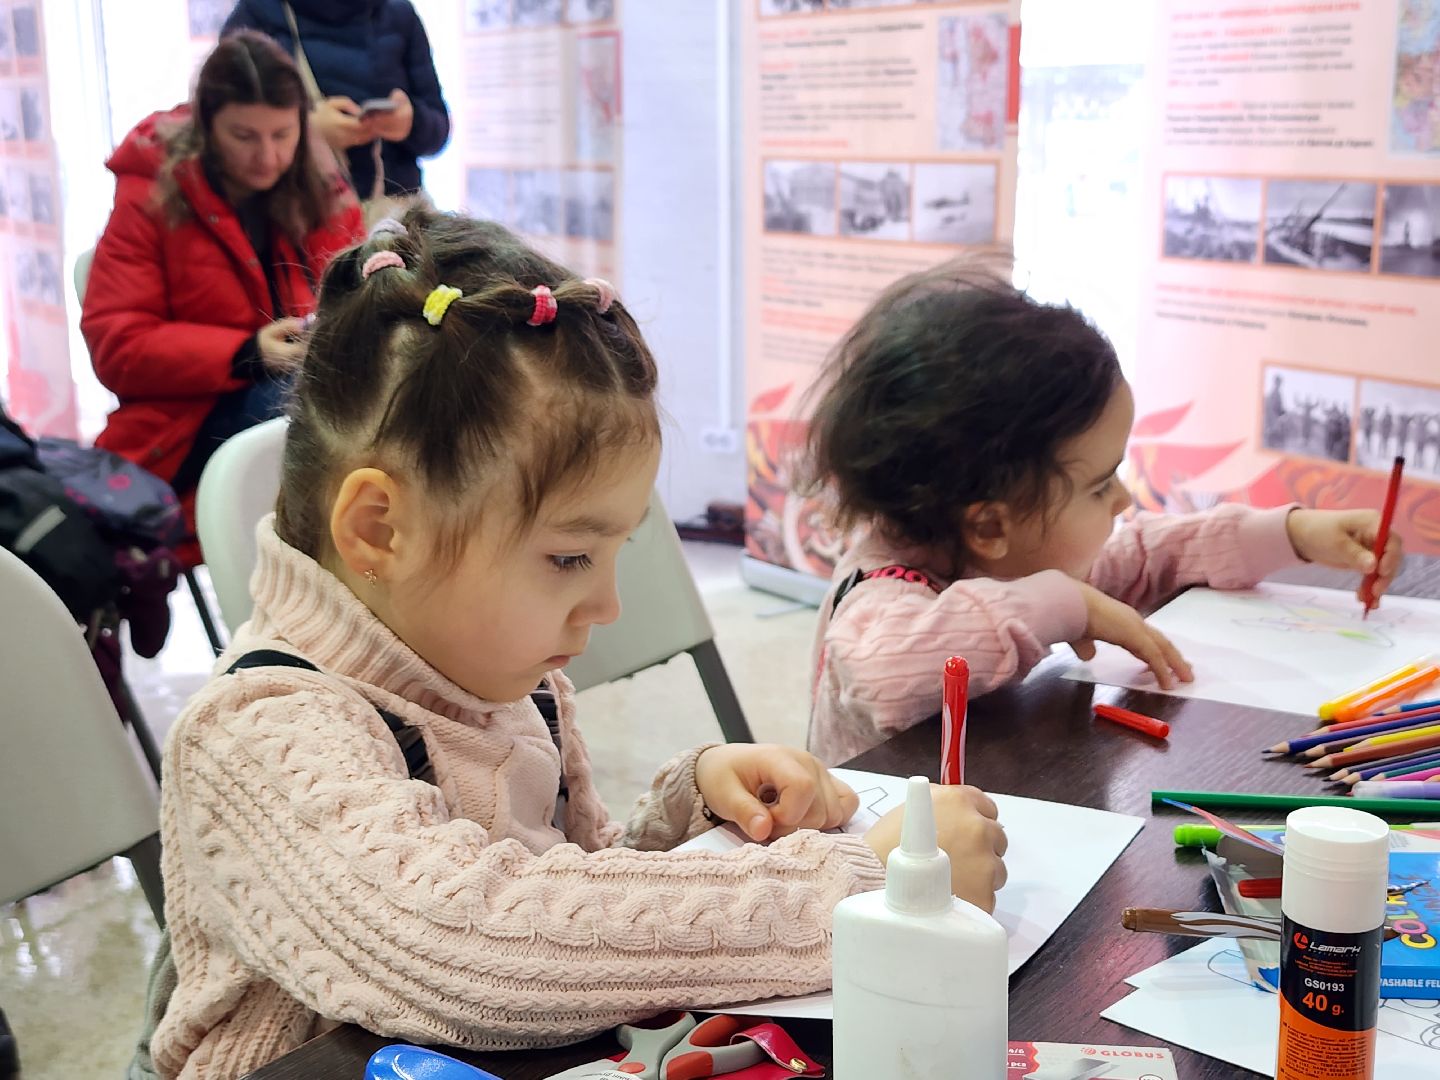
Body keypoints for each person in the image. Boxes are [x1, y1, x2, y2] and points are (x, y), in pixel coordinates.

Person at [140, 211, 1008, 1079]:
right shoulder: (254, 733)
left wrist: (688, 807)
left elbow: (574, 908)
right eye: (568, 558)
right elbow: (465, 945)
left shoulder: (501, 676)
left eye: (614, 552)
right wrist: (861, 890)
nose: (608, 605)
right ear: (379, 530)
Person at [804, 259, 1405, 764]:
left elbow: (1145, 553)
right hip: (874, 855)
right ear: (988, 524)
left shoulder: (1013, 549)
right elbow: (886, 673)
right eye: (1098, 486)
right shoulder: (880, 593)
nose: (1123, 499)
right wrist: (1068, 604)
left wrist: (1291, 533)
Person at [82, 32, 363, 564]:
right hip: (187, 425)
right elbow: (116, 345)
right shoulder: (152, 191)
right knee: (330, 437)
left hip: (293, 401)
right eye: (244, 136)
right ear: (207, 125)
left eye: (283, 134)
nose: (267, 156)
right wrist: (245, 352)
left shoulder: (317, 184)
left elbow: (351, 290)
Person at [221, 0, 451, 203]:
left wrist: (410, 122)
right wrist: (306, 131)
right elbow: (224, 127)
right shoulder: (257, 12)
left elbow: (438, 131)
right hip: (299, 212)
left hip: (392, 208)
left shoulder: (398, 14)